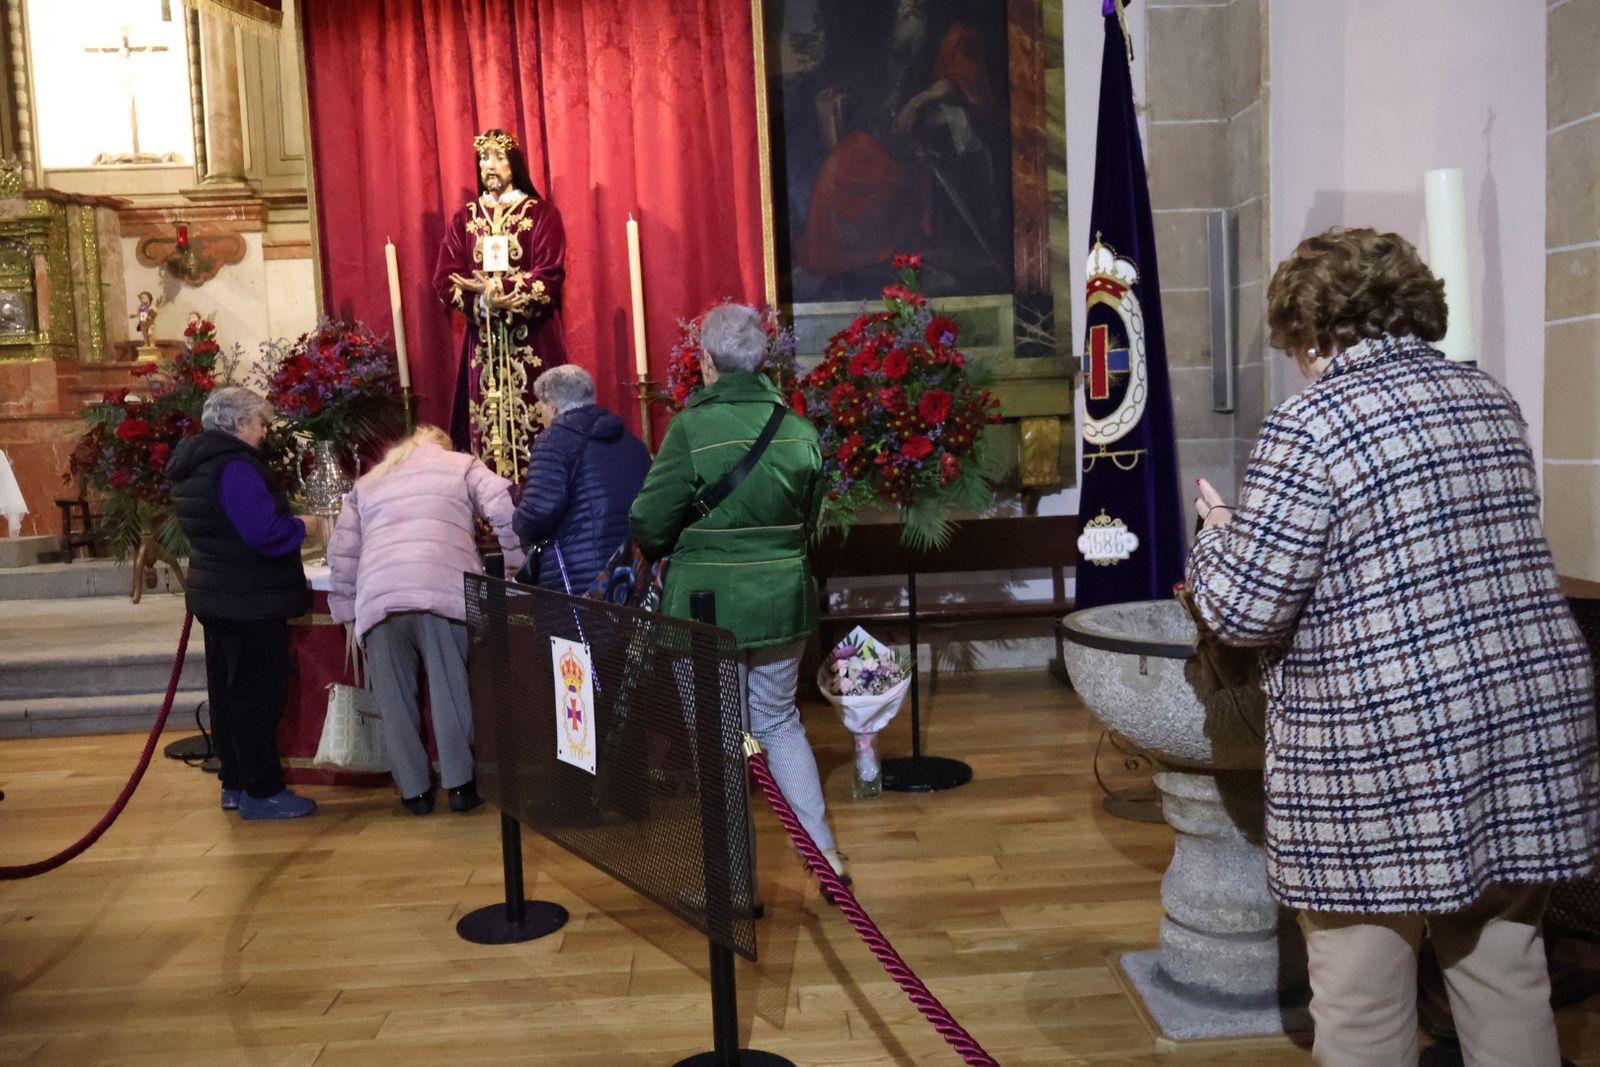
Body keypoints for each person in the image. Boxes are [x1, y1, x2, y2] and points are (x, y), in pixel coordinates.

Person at [1184, 227, 1599, 1066]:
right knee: (1507, 978)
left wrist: (1217, 528)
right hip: (1520, 728)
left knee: (1362, 999)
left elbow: (1244, 610)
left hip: (1383, 748)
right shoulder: (1488, 399)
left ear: (1309, 331)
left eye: (1293, 346)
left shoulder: (1312, 423)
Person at [629, 304, 850, 885]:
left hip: (706, 607)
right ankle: (826, 860)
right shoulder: (799, 431)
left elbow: (649, 523)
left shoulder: (690, 429)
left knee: (719, 740)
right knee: (779, 723)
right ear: (761, 362)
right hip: (781, 598)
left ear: (706, 362)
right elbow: (807, 524)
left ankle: (736, 885)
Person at [326, 426, 525, 815]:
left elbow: (342, 551)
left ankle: (413, 792)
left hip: (379, 596)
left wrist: (346, 608)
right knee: (450, 692)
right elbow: (505, 508)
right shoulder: (461, 466)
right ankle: (460, 786)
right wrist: (514, 568)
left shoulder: (370, 481)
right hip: (440, 589)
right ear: (444, 446)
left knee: (393, 700)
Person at [167, 387, 320, 820]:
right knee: (258, 698)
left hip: (218, 591)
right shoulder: (234, 465)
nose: (264, 431)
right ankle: (262, 790)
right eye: (259, 423)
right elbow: (263, 534)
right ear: (239, 423)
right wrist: (303, 526)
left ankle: (235, 782)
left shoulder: (195, 462)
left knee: (228, 695)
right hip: (250, 597)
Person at [432, 128, 567, 482]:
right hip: (482, 348)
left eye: (498, 157)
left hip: (531, 341)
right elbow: (445, 277)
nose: (489, 165)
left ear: (514, 164)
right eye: (483, 158)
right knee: (483, 432)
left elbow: (550, 274)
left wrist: (499, 288)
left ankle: (542, 493)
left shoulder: (541, 215)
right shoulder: (465, 219)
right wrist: (480, 302)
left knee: (540, 426)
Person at [513, 365, 651, 591]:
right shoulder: (631, 440)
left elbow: (540, 511)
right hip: (630, 569)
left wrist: (519, 518)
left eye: (541, 409)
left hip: (578, 575)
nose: (542, 417)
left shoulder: (554, 440)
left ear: (553, 407)